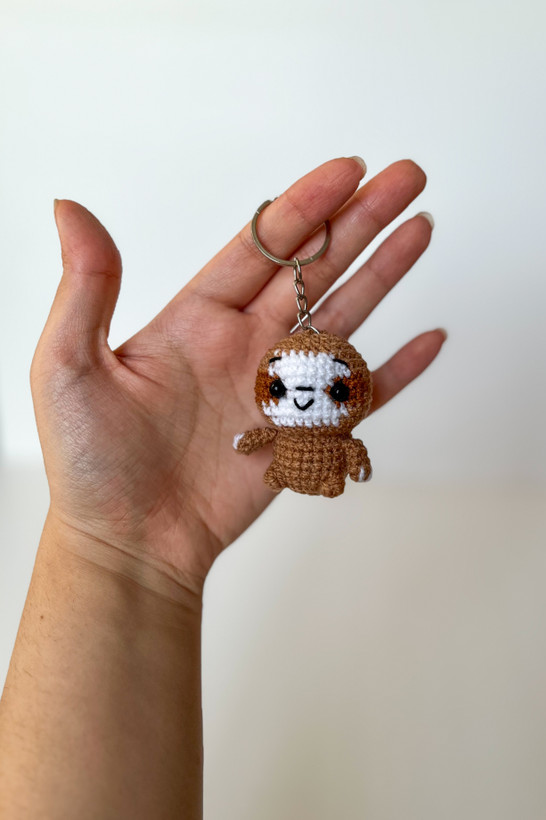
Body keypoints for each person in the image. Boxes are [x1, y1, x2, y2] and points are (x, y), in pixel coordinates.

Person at [0, 156, 445, 818]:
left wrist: (115, 554)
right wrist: (111, 545)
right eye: (290, 390)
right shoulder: (275, 408)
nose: (303, 398)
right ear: (271, 387)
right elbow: (267, 436)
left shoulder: (320, 408)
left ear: (345, 392)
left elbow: (332, 441)